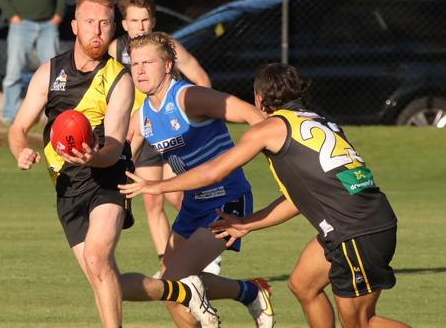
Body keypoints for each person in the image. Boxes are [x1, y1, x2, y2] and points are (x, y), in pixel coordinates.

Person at [120, 63, 410, 328]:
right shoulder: (318, 120)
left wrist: (153, 185)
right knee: (302, 284)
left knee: (361, 323)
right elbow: (299, 199)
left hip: (354, 230)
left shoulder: (269, 129)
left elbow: (213, 172)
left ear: (259, 98)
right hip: (360, 221)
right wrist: (247, 223)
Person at [8, 0, 219, 328]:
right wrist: (21, 150)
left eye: (105, 23)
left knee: (96, 257)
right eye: (90, 22)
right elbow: (18, 127)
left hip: (107, 179)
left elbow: (114, 147)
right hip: (67, 187)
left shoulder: (119, 79)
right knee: (104, 278)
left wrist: (92, 155)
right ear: (74, 25)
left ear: (112, 28)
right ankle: (182, 292)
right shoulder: (49, 73)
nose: (97, 30)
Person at [119, 32, 275, 328]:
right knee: (171, 289)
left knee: (174, 279)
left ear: (167, 65)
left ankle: (251, 292)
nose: (139, 70)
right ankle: (251, 292)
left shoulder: (188, 97)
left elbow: (252, 115)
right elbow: (120, 155)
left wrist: (280, 158)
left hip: (226, 199)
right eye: (134, 63)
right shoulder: (142, 116)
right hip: (193, 205)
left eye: (147, 63)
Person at [109, 0, 218, 275]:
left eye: (145, 19)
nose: (140, 26)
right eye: (134, 20)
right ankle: (166, 262)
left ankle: (207, 242)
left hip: (170, 129)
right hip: (141, 131)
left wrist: (201, 113)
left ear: (153, 20)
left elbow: (200, 75)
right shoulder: (115, 50)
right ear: (124, 24)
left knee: (176, 196)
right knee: (152, 200)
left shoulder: (167, 46)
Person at [0, 0, 67, 123]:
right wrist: (12, 15)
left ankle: (55, 113)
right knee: (14, 70)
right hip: (21, 26)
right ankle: (9, 113)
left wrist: (57, 17)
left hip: (48, 26)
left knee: (55, 73)